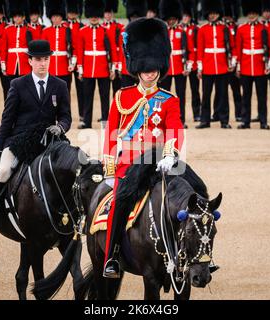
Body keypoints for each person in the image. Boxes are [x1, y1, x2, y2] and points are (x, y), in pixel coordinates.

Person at [102, 17, 184, 278]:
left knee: (192, 194)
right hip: (129, 165)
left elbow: (175, 129)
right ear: (136, 68)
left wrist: (170, 155)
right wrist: (110, 162)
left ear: (160, 67)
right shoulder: (121, 97)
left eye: (154, 68)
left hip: (159, 162)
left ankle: (185, 255)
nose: (150, 73)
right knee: (120, 202)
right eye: (145, 69)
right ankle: (112, 256)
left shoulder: (169, 100)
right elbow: (111, 134)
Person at [0, 40, 72, 234]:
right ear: (30, 61)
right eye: (38, 59)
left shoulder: (60, 85)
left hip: (50, 139)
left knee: (72, 169)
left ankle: (74, 215)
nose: (43, 63)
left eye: (46, 59)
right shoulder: (17, 85)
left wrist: (60, 127)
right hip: (20, 141)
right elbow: (7, 119)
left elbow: (66, 116)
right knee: (3, 171)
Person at [76, 0, 118, 129]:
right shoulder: (82, 31)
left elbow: (112, 51)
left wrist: (113, 68)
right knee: (87, 96)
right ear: (89, 16)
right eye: (92, 15)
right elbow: (80, 51)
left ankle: (105, 121)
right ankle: (87, 122)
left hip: (103, 69)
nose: (94, 18)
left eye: (96, 15)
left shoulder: (106, 31)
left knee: (104, 96)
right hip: (88, 69)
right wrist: (80, 69)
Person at [236, 0, 270, 130]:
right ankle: (245, 121)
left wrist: (269, 63)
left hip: (260, 66)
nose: (251, 16)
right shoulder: (241, 28)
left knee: (262, 96)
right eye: (249, 13)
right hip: (246, 66)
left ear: (257, 14)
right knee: (246, 96)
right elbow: (238, 48)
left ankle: (263, 121)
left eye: (254, 13)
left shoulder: (264, 28)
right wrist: (239, 66)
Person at [196, 0, 233, 129]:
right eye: (210, 13)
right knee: (206, 95)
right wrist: (200, 67)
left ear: (219, 14)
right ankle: (205, 120)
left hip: (222, 66)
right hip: (208, 66)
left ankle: (224, 120)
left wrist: (231, 62)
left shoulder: (224, 28)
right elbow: (200, 49)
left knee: (223, 95)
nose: (212, 16)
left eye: (215, 13)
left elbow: (230, 47)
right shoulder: (203, 29)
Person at [159, 0, 195, 129]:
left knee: (180, 96)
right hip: (166, 69)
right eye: (169, 19)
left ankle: (180, 120)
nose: (171, 21)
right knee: (163, 97)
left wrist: (189, 67)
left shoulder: (182, 32)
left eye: (174, 19)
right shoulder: (162, 33)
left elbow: (190, 51)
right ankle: (164, 120)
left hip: (180, 69)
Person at [42, 0, 76, 91]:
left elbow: (74, 48)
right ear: (51, 18)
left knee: (65, 92)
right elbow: (43, 50)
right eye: (54, 17)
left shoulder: (67, 30)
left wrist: (72, 63)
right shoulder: (46, 31)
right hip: (51, 66)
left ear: (61, 17)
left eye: (58, 16)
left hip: (64, 66)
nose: (56, 19)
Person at [0, 0, 32, 83]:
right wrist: (3, 62)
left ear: (23, 17)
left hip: (25, 63)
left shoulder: (29, 29)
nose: (17, 18)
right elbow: (4, 48)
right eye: (15, 17)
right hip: (11, 63)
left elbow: (31, 47)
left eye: (19, 16)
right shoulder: (7, 29)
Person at [118, 0, 147, 88]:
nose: (134, 19)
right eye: (133, 17)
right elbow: (121, 49)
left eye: (136, 17)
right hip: (127, 68)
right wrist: (119, 65)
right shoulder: (124, 30)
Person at [181, 0, 201, 123]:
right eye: (183, 16)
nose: (185, 18)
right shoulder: (178, 29)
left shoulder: (195, 29)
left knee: (195, 90)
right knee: (181, 91)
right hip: (182, 63)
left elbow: (198, 46)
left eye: (187, 16)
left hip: (193, 64)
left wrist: (197, 64)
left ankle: (197, 113)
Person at [66, 0, 85, 125]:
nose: (72, 15)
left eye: (74, 12)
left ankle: (82, 115)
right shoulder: (63, 26)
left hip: (79, 62)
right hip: (65, 62)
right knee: (64, 90)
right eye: (70, 12)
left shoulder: (82, 26)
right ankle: (65, 116)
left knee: (81, 90)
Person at [103, 0, 124, 97]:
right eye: (106, 13)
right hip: (105, 62)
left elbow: (120, 46)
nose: (108, 15)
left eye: (109, 13)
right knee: (105, 91)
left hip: (116, 61)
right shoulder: (101, 28)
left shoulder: (119, 27)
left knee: (117, 91)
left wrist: (119, 65)